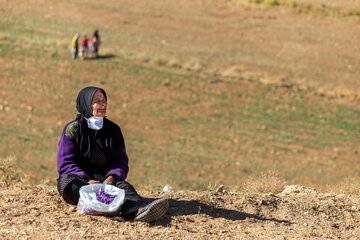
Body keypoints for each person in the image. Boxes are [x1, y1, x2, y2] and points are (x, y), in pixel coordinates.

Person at [57, 86, 168, 222]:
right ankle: (102, 205)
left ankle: (138, 211)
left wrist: (111, 177)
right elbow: (66, 163)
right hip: (80, 178)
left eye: (104, 100)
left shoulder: (113, 130)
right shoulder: (73, 129)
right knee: (70, 183)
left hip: (105, 178)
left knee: (123, 188)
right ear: (86, 104)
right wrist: (87, 180)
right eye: (97, 101)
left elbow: (120, 161)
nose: (103, 104)